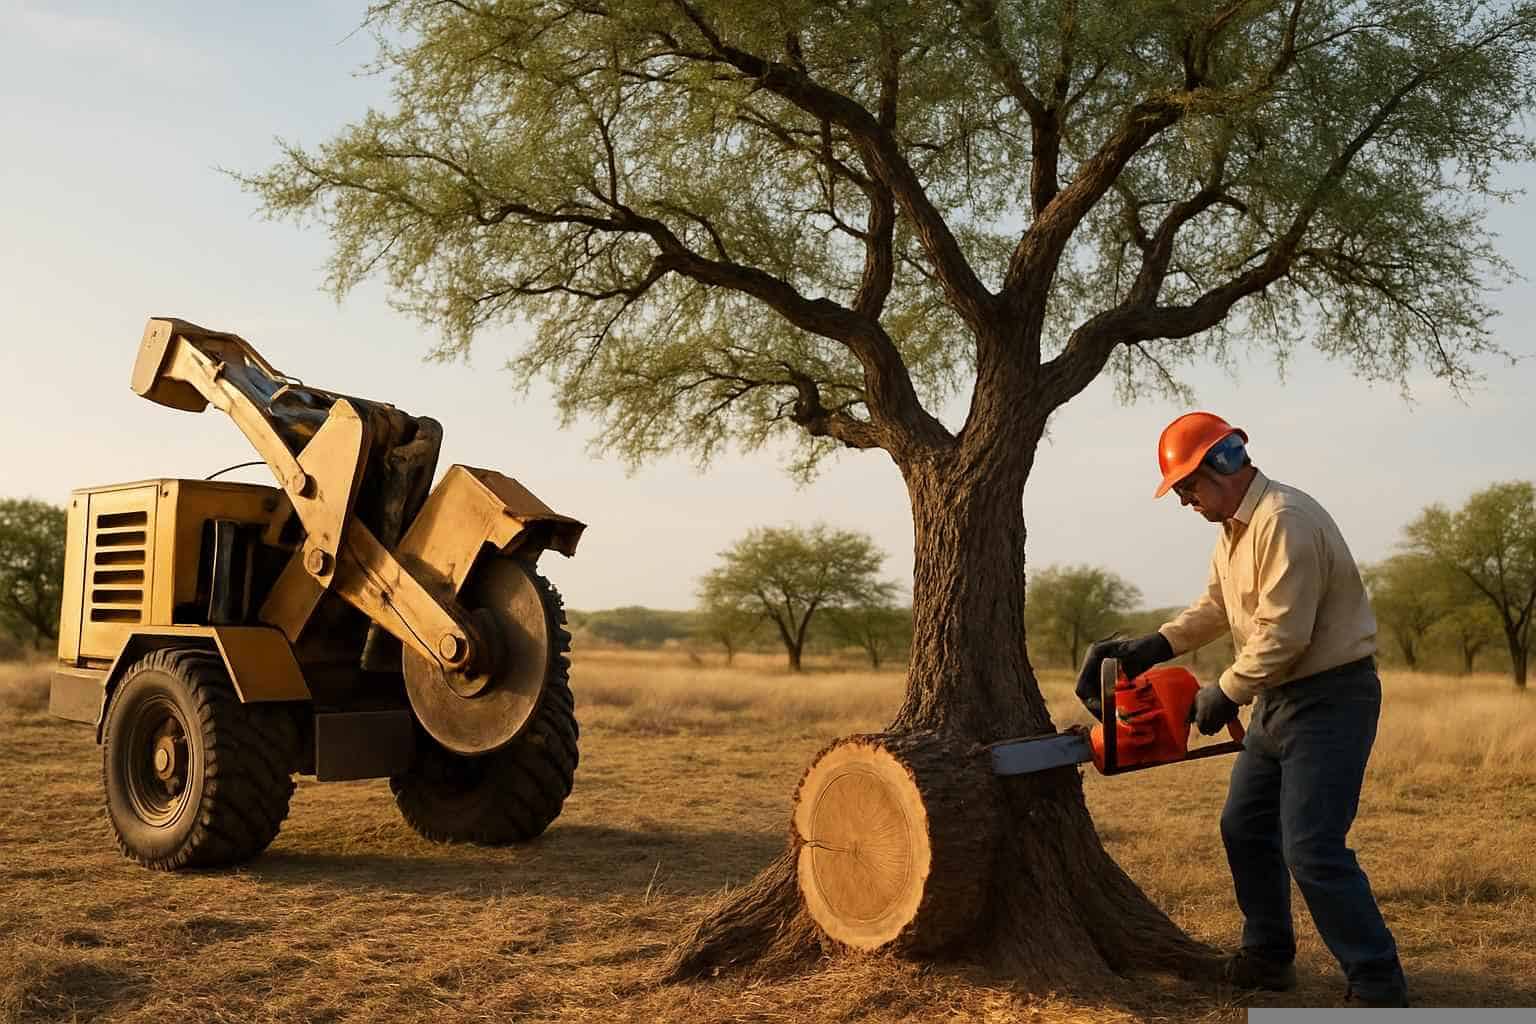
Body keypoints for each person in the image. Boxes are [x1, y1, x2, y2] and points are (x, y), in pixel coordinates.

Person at [1075, 412, 1409, 1008]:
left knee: (1313, 847)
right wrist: (1153, 646)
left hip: (1330, 700)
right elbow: (1215, 607)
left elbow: (1285, 634)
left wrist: (1225, 690)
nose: (1185, 501)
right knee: (1245, 826)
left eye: (1187, 487)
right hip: (1279, 701)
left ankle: (1378, 984)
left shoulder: (1284, 519)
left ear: (1222, 464)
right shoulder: (1234, 529)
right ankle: (1269, 957)